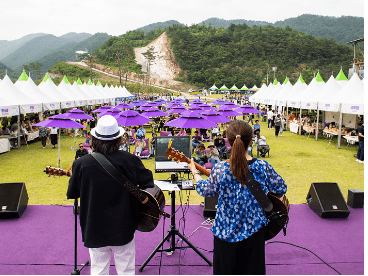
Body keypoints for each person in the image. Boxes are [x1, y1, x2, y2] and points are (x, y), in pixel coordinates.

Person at [188, 120, 286, 275]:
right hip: (255, 233)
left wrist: (195, 173)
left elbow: (205, 190)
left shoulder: (220, 169)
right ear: (251, 140)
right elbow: (281, 188)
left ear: (228, 140)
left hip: (224, 235)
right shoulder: (262, 166)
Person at [67, 115, 154, 275]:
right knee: (126, 270)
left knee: (98, 269)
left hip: (94, 226)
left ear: (94, 138)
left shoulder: (80, 163)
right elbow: (148, 181)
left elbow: (73, 193)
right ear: (119, 139)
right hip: (124, 225)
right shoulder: (131, 160)